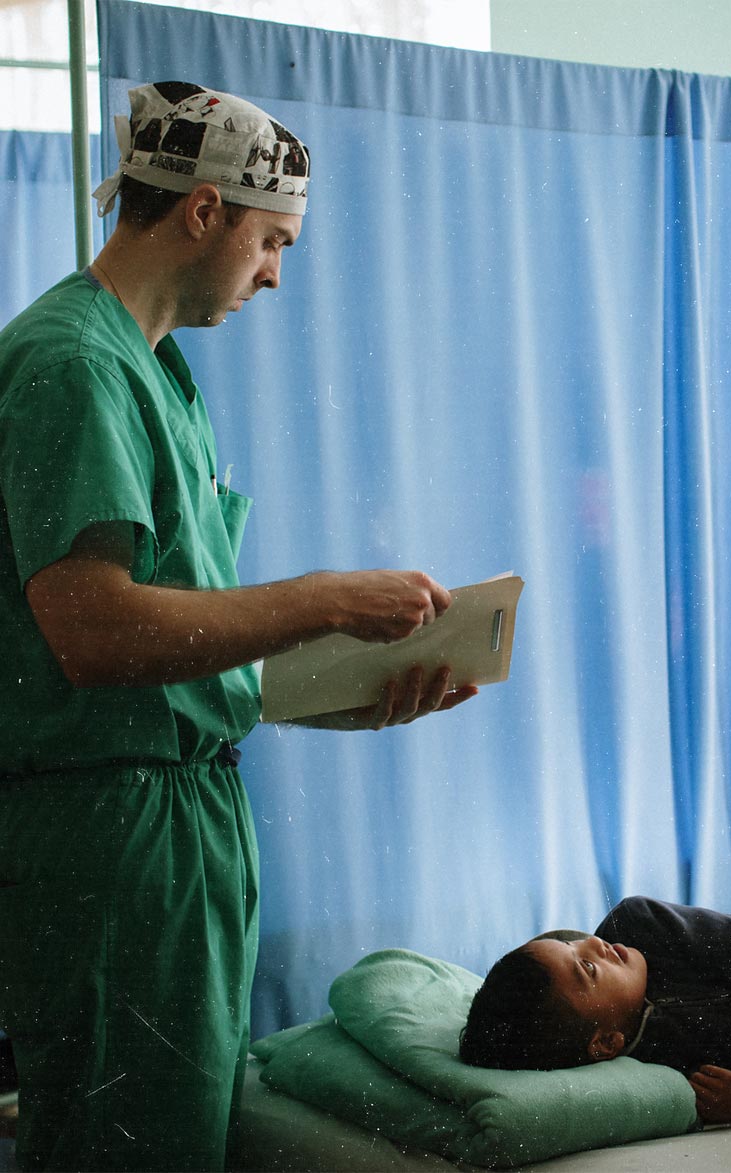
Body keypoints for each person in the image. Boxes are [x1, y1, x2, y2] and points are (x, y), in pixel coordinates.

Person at [0, 81, 479, 1171]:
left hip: (166, 820)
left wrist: (345, 696)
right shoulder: (74, 366)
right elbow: (93, 634)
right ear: (204, 210)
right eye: (272, 242)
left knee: (171, 1134)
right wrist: (325, 599)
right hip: (111, 837)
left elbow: (177, 648)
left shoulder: (155, 372)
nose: (273, 274)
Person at [459, 897, 731, 1125]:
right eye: (587, 969)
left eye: (573, 945)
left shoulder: (639, 924)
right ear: (605, 1043)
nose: (593, 944)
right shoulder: (661, 1067)